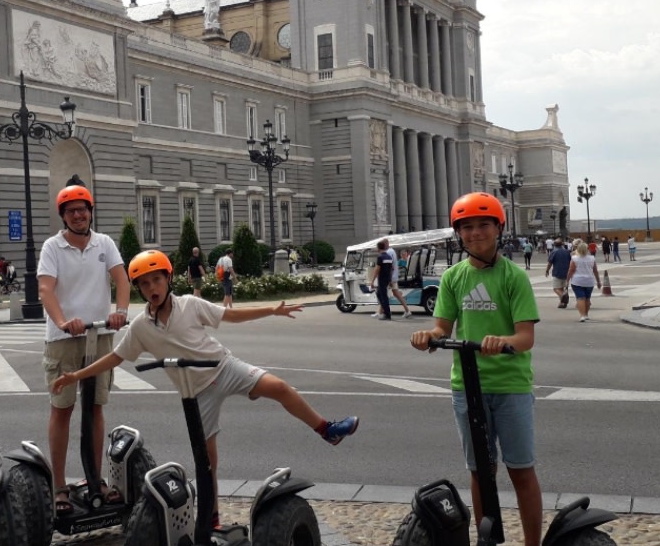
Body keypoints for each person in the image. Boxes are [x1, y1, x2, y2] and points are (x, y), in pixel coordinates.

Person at [51, 250, 359, 525]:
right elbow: (114, 357)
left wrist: (271, 310)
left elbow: (230, 315)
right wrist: (76, 376)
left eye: (156, 280)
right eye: (144, 284)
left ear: (168, 279)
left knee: (278, 387)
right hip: (196, 394)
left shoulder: (190, 305)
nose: (151, 288)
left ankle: (326, 429)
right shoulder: (141, 328)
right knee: (207, 462)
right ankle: (210, 519)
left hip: (224, 367)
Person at [409, 193, 542, 546]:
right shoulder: (453, 278)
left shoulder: (512, 277)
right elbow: (442, 328)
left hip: (510, 386)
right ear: (458, 235)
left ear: (499, 229)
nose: (475, 233)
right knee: (480, 471)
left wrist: (501, 341)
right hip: (466, 386)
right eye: (466, 227)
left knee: (520, 469)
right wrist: (427, 337)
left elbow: (526, 337)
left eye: (483, 225)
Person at [38, 185, 131, 516]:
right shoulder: (53, 246)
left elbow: (122, 279)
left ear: (90, 211)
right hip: (64, 339)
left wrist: (120, 311)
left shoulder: (104, 243)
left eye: (83, 209)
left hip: (101, 335)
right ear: (63, 216)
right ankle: (59, 485)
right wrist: (63, 321)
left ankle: (96, 481)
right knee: (62, 408)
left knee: (95, 407)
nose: (79, 215)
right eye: (71, 211)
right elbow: (46, 289)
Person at [567, 239, 600, 322]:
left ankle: (582, 315)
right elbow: (595, 271)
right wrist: (598, 281)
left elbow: (571, 270)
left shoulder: (574, 258)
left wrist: (567, 280)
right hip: (589, 281)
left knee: (580, 298)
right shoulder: (592, 258)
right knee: (587, 299)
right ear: (587, 249)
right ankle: (586, 314)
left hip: (577, 281)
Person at [545, 237, 572, 309]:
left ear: (554, 245)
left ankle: (563, 296)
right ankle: (562, 303)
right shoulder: (567, 252)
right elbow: (570, 261)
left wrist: (547, 270)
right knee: (562, 288)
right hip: (566, 273)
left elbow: (550, 263)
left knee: (556, 288)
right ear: (562, 244)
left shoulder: (554, 252)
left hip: (557, 272)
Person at [374, 238, 395, 321]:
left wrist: (372, 280)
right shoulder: (389, 257)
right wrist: (390, 279)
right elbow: (392, 268)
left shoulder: (380, 257)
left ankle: (387, 314)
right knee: (379, 293)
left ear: (378, 248)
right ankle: (385, 311)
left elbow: (377, 269)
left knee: (383, 296)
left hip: (382, 278)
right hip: (387, 278)